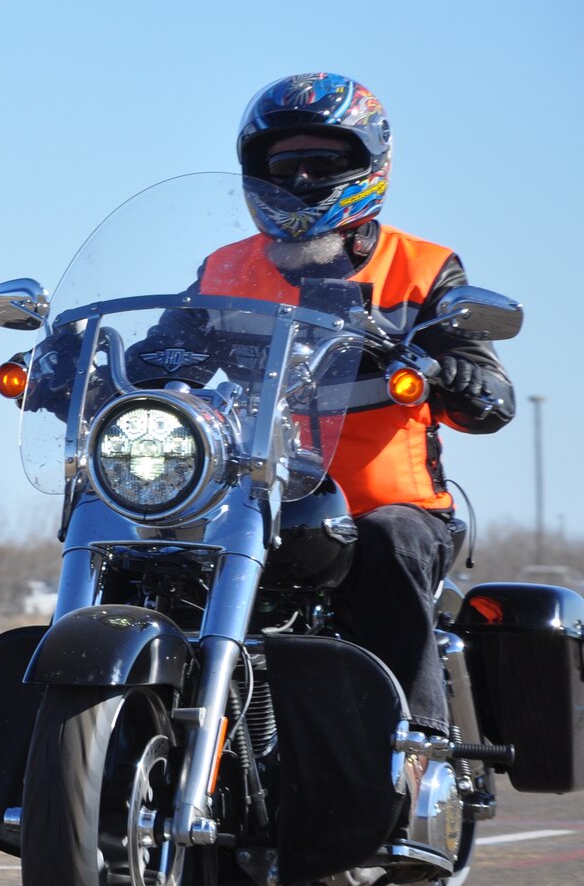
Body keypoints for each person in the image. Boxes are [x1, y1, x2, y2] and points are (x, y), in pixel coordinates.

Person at [148, 73, 516, 735]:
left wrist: (443, 367)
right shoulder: (224, 271)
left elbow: (493, 399)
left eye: (325, 161)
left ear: (368, 163)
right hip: (254, 502)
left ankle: (414, 745)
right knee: (154, 548)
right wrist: (83, 363)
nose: (302, 177)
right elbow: (167, 349)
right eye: (286, 163)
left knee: (385, 541)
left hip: (385, 507)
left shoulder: (421, 269)